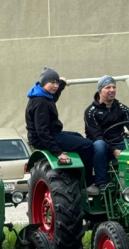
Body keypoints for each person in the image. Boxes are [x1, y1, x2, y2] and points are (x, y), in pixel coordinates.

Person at [25, 67, 102, 195]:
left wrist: (61, 84)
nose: (55, 86)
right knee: (87, 146)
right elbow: (42, 131)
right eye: (52, 83)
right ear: (44, 82)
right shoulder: (40, 102)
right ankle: (88, 183)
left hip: (50, 134)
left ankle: (78, 174)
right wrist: (57, 152)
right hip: (44, 138)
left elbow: (53, 97)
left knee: (79, 137)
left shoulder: (42, 95)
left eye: (56, 82)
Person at [84, 75, 129, 187]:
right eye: (108, 87)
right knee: (99, 145)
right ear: (100, 90)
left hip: (120, 143)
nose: (112, 90)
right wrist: (113, 151)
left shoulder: (122, 108)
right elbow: (97, 136)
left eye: (114, 87)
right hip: (101, 145)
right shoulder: (90, 112)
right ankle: (101, 183)